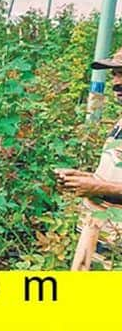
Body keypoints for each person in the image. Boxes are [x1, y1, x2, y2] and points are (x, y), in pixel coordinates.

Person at [57, 47, 122, 269]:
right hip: (101, 236)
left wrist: (95, 186)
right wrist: (83, 178)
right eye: (114, 74)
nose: (116, 82)